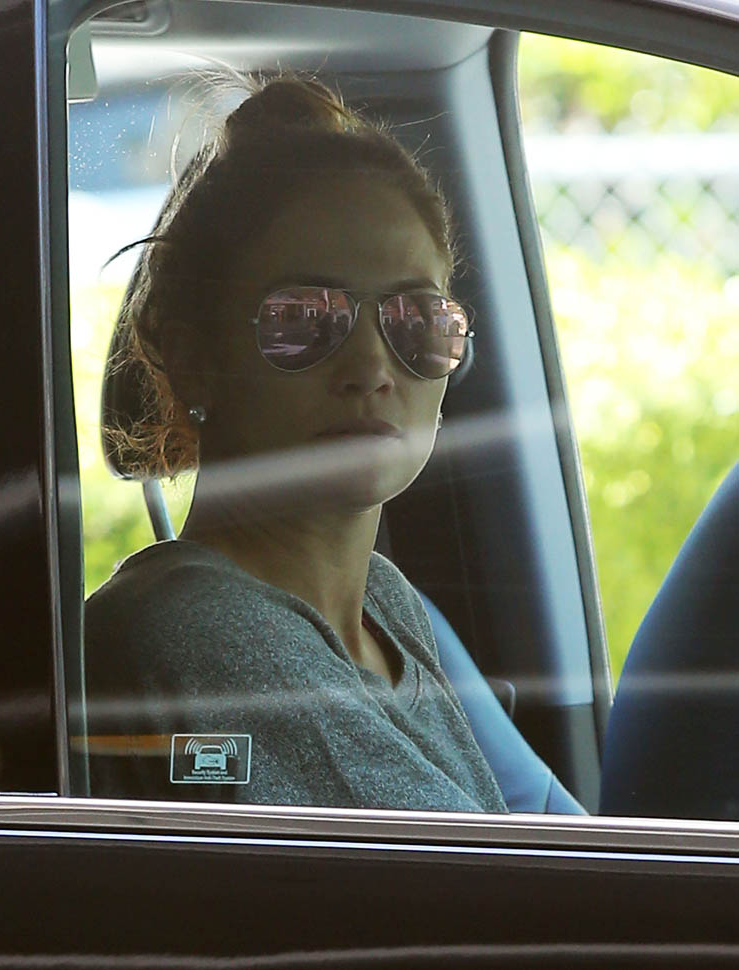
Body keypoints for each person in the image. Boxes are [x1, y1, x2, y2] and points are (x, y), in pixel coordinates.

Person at [84, 75, 506, 813]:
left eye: (416, 320)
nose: (372, 368)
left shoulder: (386, 604)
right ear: (194, 358)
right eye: (303, 318)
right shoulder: (195, 632)